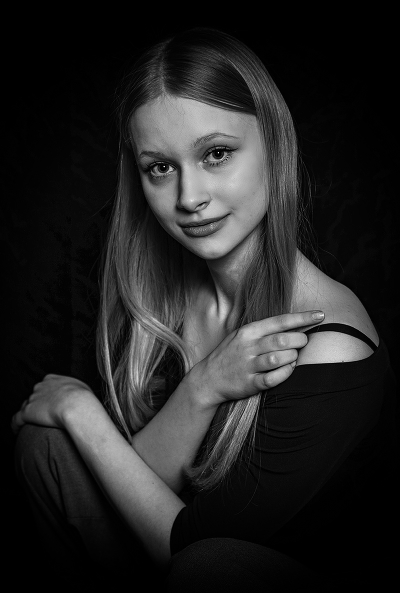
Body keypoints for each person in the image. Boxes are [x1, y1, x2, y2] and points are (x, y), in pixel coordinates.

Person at [12, 28, 397, 591]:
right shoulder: (170, 299)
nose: (189, 198)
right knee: (44, 449)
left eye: (216, 154)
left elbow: (188, 550)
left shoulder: (330, 345)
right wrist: (204, 386)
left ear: (275, 146)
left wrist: (79, 409)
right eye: (160, 168)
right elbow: (138, 483)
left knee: (207, 565)